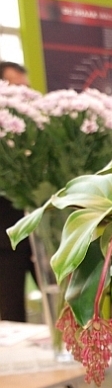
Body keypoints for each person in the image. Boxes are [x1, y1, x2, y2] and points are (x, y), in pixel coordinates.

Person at [0, 61, 34, 322]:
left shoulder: (37, 127)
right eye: (15, 87)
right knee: (11, 313)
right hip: (5, 236)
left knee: (65, 305)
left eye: (26, 88)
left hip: (41, 234)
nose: (23, 94)